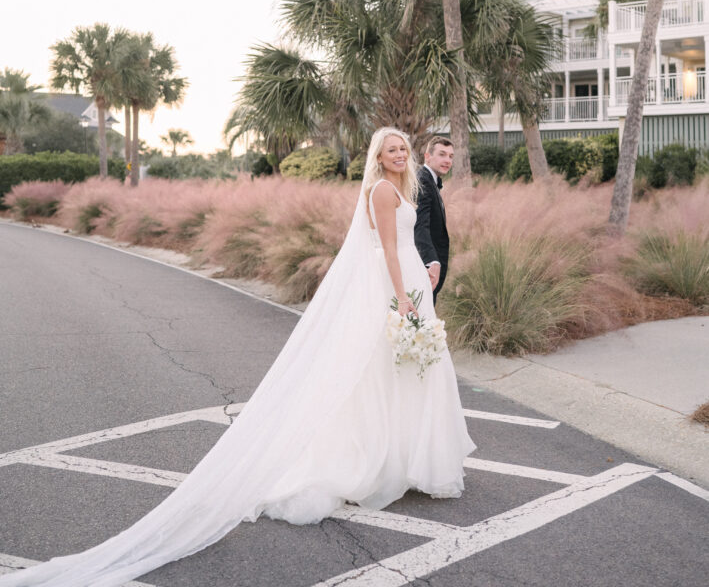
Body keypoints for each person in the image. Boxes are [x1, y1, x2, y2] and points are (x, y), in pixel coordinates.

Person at [1, 127, 474, 587]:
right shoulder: (382, 195)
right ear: (376, 156)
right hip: (397, 287)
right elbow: (390, 249)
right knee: (385, 372)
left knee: (408, 370)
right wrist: (404, 295)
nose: (398, 154)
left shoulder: (402, 188)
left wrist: (423, 274)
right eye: (390, 149)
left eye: (402, 149)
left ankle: (406, 458)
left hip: (413, 281)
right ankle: (381, 461)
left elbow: (411, 245)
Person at [414, 135, 454, 305]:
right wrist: (432, 261)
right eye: (442, 154)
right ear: (427, 156)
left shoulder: (430, 180)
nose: (447, 160)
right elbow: (419, 226)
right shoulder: (423, 180)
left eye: (451, 156)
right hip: (424, 266)